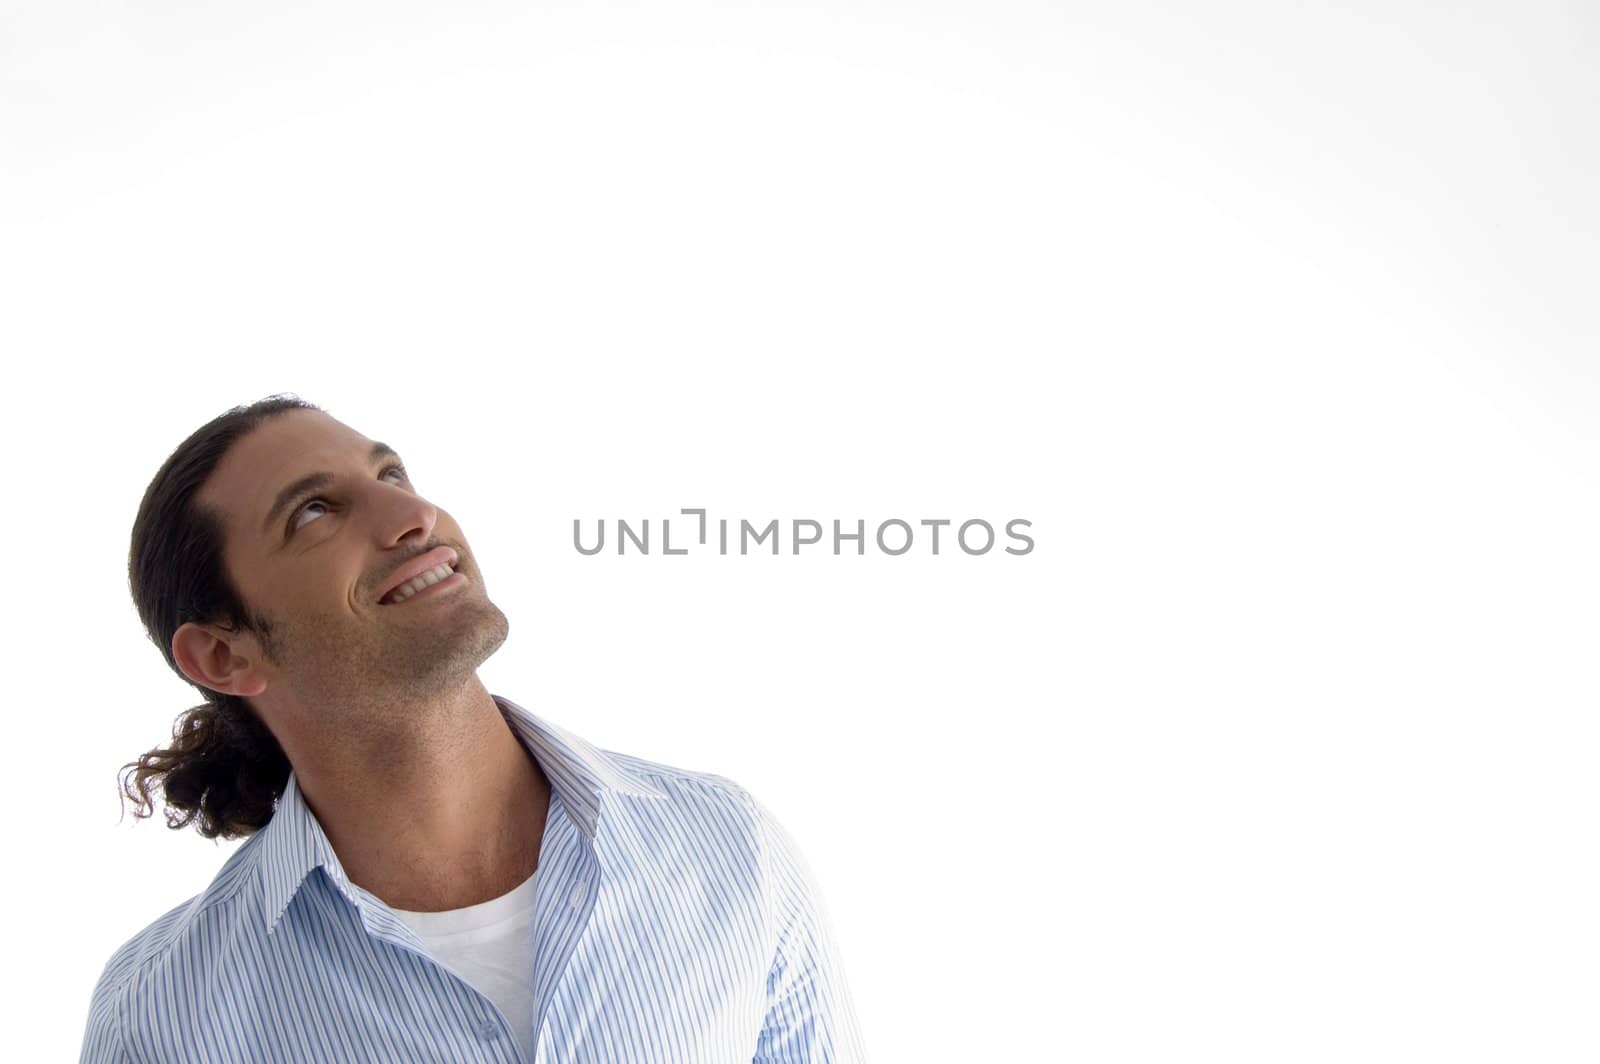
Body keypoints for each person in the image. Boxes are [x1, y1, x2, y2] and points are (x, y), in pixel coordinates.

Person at [81, 395, 866, 1063]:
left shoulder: (726, 847)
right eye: (315, 511)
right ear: (224, 653)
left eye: (392, 474)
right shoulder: (160, 1020)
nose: (415, 516)